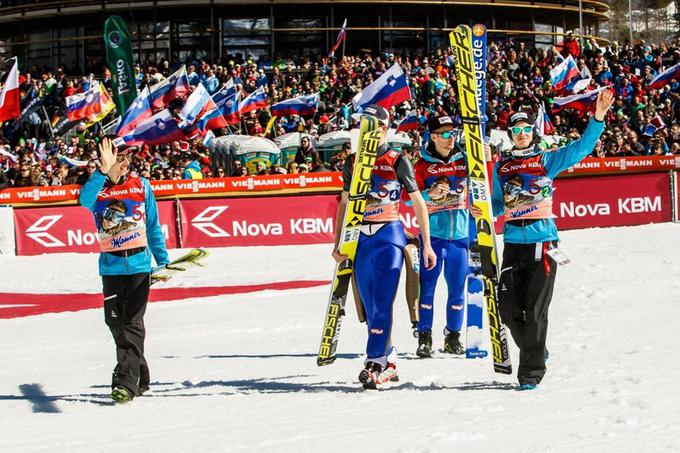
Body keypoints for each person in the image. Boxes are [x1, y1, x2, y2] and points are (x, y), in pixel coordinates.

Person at [491, 89, 614, 390]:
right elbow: (495, 203)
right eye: (515, 130)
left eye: (525, 129)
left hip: (543, 243)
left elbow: (583, 147)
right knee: (507, 310)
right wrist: (478, 204)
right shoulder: (502, 167)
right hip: (512, 244)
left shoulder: (546, 159)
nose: (521, 134)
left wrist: (598, 116)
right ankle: (537, 350)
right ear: (510, 134)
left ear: (532, 132)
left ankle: (530, 374)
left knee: (534, 312)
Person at [332, 104, 436, 389]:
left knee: (382, 302)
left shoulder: (396, 158)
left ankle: (374, 361)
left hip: (388, 236)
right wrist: (337, 241)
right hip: (360, 238)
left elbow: (417, 202)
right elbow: (343, 203)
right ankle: (388, 359)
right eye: (361, 124)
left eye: (371, 125)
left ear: (383, 129)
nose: (366, 129)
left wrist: (426, 244)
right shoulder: (352, 161)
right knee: (368, 306)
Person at [79, 137, 169, 403]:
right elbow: (83, 200)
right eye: (119, 159)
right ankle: (140, 375)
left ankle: (125, 383)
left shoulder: (142, 186)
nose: (125, 163)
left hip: (140, 265)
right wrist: (101, 172)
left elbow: (153, 226)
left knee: (131, 322)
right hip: (111, 268)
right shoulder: (98, 191)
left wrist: (162, 261)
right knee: (116, 323)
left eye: (126, 158)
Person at [412, 116, 486, 357]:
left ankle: (452, 337)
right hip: (433, 237)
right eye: (444, 134)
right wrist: (428, 192)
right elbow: (407, 197)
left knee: (456, 289)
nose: (450, 137)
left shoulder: (465, 158)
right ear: (432, 137)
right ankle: (424, 337)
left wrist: (486, 159)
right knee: (428, 290)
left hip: (461, 237)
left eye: (452, 132)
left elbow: (484, 185)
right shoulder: (421, 164)